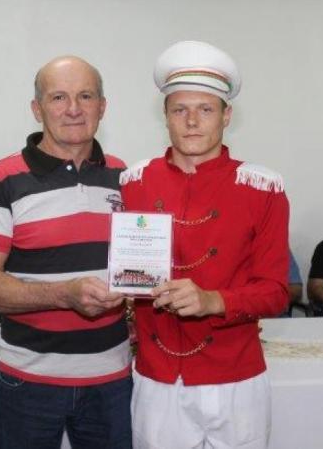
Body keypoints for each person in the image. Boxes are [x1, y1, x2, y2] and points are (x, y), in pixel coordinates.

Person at [121, 41, 289, 449]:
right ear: (165, 115)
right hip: (157, 377)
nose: (192, 121)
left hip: (236, 377)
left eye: (206, 109)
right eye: (180, 109)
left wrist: (214, 300)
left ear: (226, 115)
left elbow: (276, 292)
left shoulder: (263, 188)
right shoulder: (133, 183)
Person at [0, 55, 132, 449]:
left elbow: (135, 267)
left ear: (102, 107)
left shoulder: (123, 175)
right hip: (29, 382)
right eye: (58, 97)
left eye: (85, 96)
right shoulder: (1, 179)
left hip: (111, 380)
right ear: (37, 109)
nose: (73, 109)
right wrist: (64, 294)